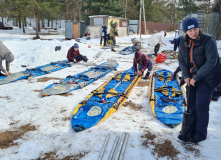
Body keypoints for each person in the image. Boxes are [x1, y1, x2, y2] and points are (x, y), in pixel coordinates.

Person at [178, 17, 221, 143]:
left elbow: (211, 62)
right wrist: (186, 76)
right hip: (191, 77)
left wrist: (196, 78)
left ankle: (200, 133)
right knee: (191, 105)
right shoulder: (183, 42)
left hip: (207, 77)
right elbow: (181, 60)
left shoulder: (208, 40)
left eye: (196, 29)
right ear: (185, 31)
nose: (193, 33)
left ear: (199, 28)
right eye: (190, 30)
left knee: (201, 106)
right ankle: (190, 129)